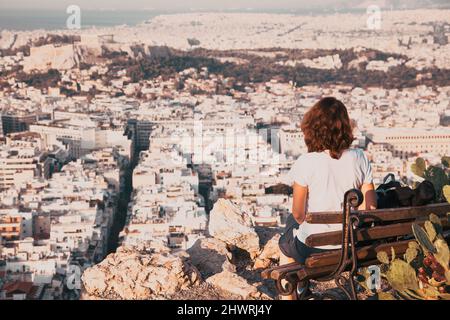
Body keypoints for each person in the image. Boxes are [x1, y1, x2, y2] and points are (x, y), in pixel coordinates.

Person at [278, 97, 377, 300]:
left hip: (312, 249)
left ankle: (294, 293)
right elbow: (371, 208)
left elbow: (298, 213)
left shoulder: (306, 162)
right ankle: (373, 290)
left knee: (286, 241)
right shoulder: (359, 157)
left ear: (312, 128)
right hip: (352, 248)